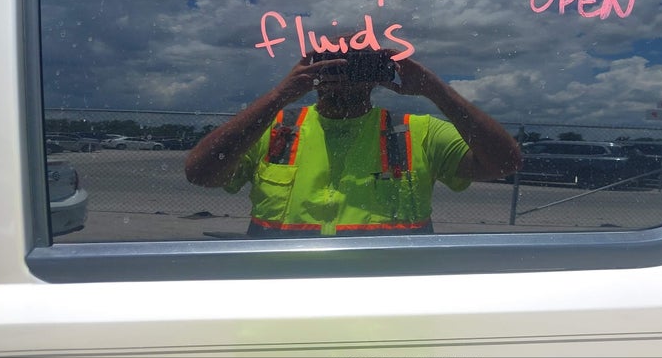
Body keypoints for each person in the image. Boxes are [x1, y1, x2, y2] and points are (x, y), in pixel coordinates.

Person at [185, 47, 522, 237]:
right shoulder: (272, 130)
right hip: (282, 295)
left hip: (389, 302)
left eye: (358, 63)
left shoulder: (417, 132)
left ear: (376, 74)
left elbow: (504, 164)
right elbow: (200, 173)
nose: (345, 74)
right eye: (332, 62)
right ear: (313, 71)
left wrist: (436, 90)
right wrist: (278, 96)